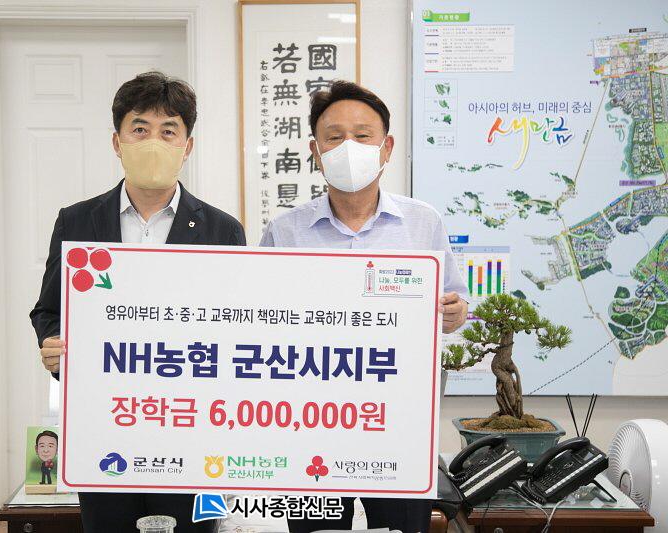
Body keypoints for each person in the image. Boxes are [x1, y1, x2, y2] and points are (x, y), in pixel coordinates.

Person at [30, 71, 245, 533]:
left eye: (168, 131)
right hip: (105, 422)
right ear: (117, 141)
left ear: (187, 145)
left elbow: (238, 325)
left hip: (192, 427)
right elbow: (48, 309)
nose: (153, 142)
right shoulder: (77, 221)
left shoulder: (223, 231)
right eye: (140, 129)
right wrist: (54, 344)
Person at [260, 80, 469, 533]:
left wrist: (455, 312)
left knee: (403, 528)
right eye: (334, 137)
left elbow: (454, 304)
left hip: (398, 421)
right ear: (315, 152)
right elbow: (260, 319)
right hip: (309, 422)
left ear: (386, 147)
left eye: (362, 135)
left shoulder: (423, 222)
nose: (348, 148)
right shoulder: (285, 231)